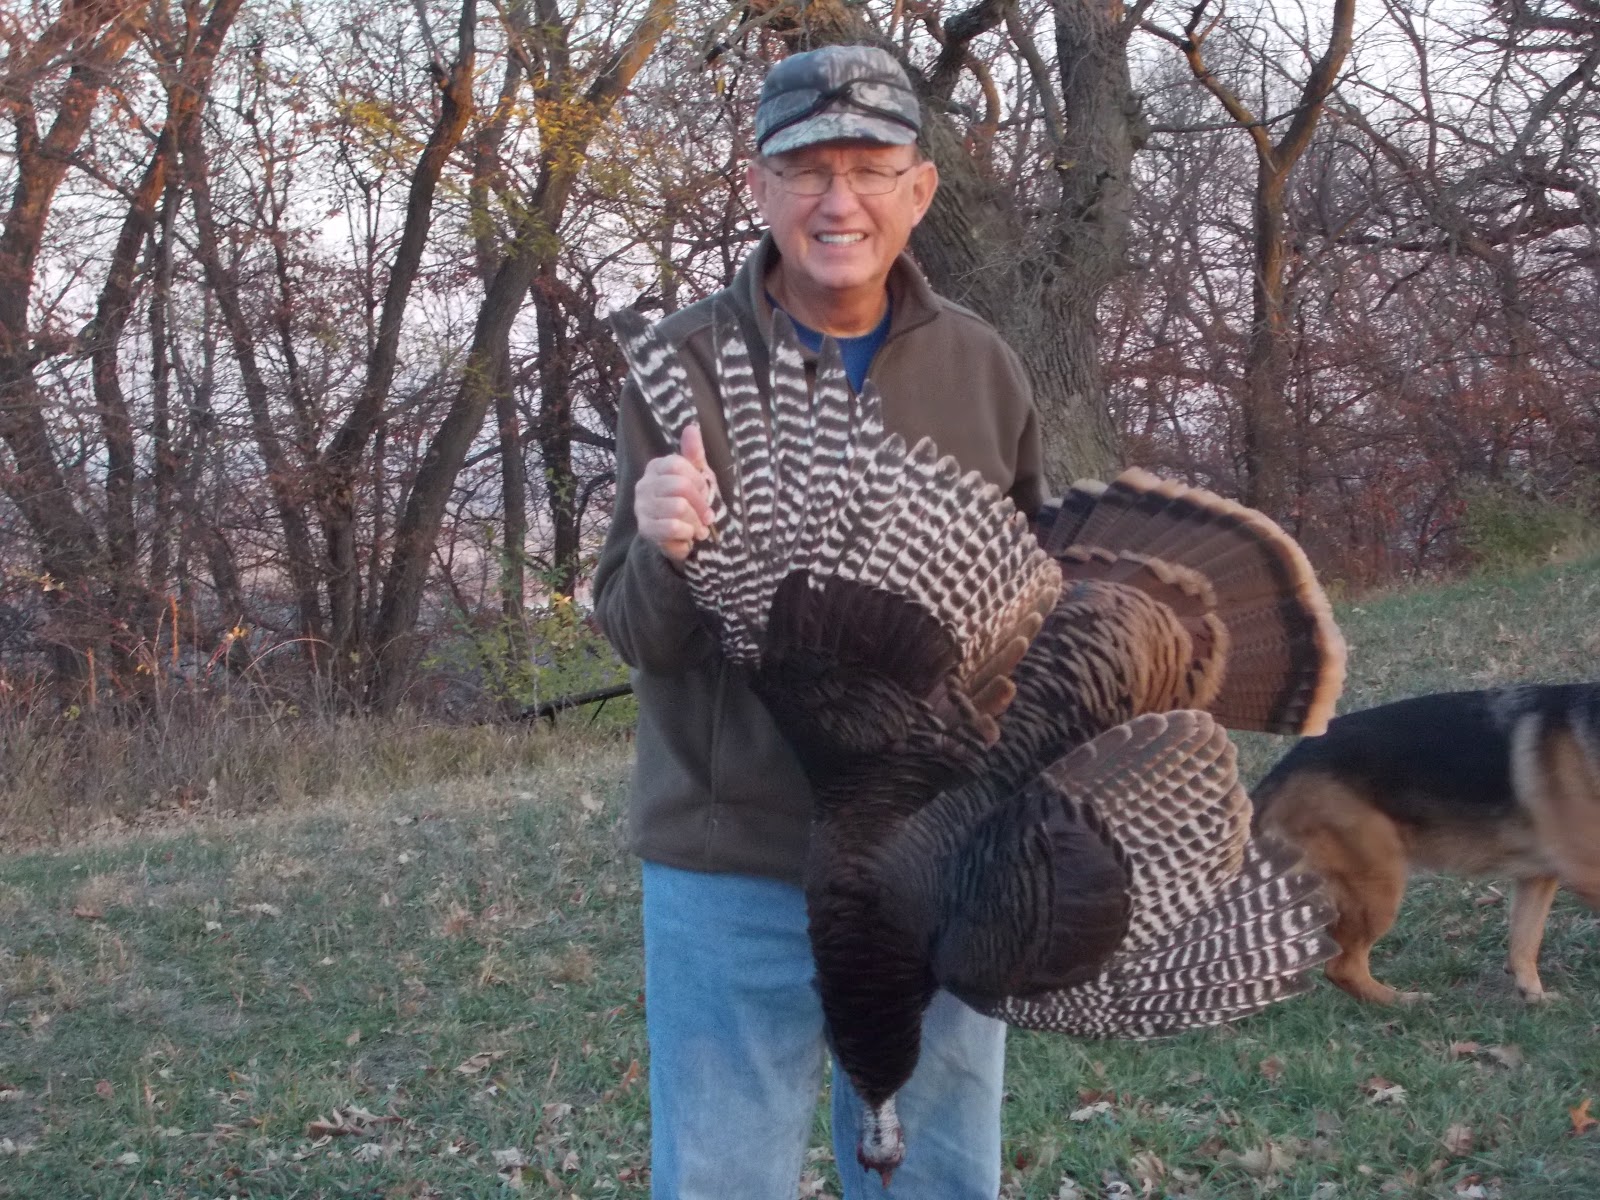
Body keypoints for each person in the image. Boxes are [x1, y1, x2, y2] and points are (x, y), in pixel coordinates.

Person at [592, 44, 1043, 1200]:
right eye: (804, 168)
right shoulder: (681, 364)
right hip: (732, 863)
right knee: (722, 1176)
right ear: (756, 186)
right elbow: (640, 637)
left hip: (936, 856)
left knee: (936, 1175)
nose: (836, 199)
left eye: (868, 165)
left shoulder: (981, 365)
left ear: (919, 188)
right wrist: (663, 543)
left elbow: (1038, 601)